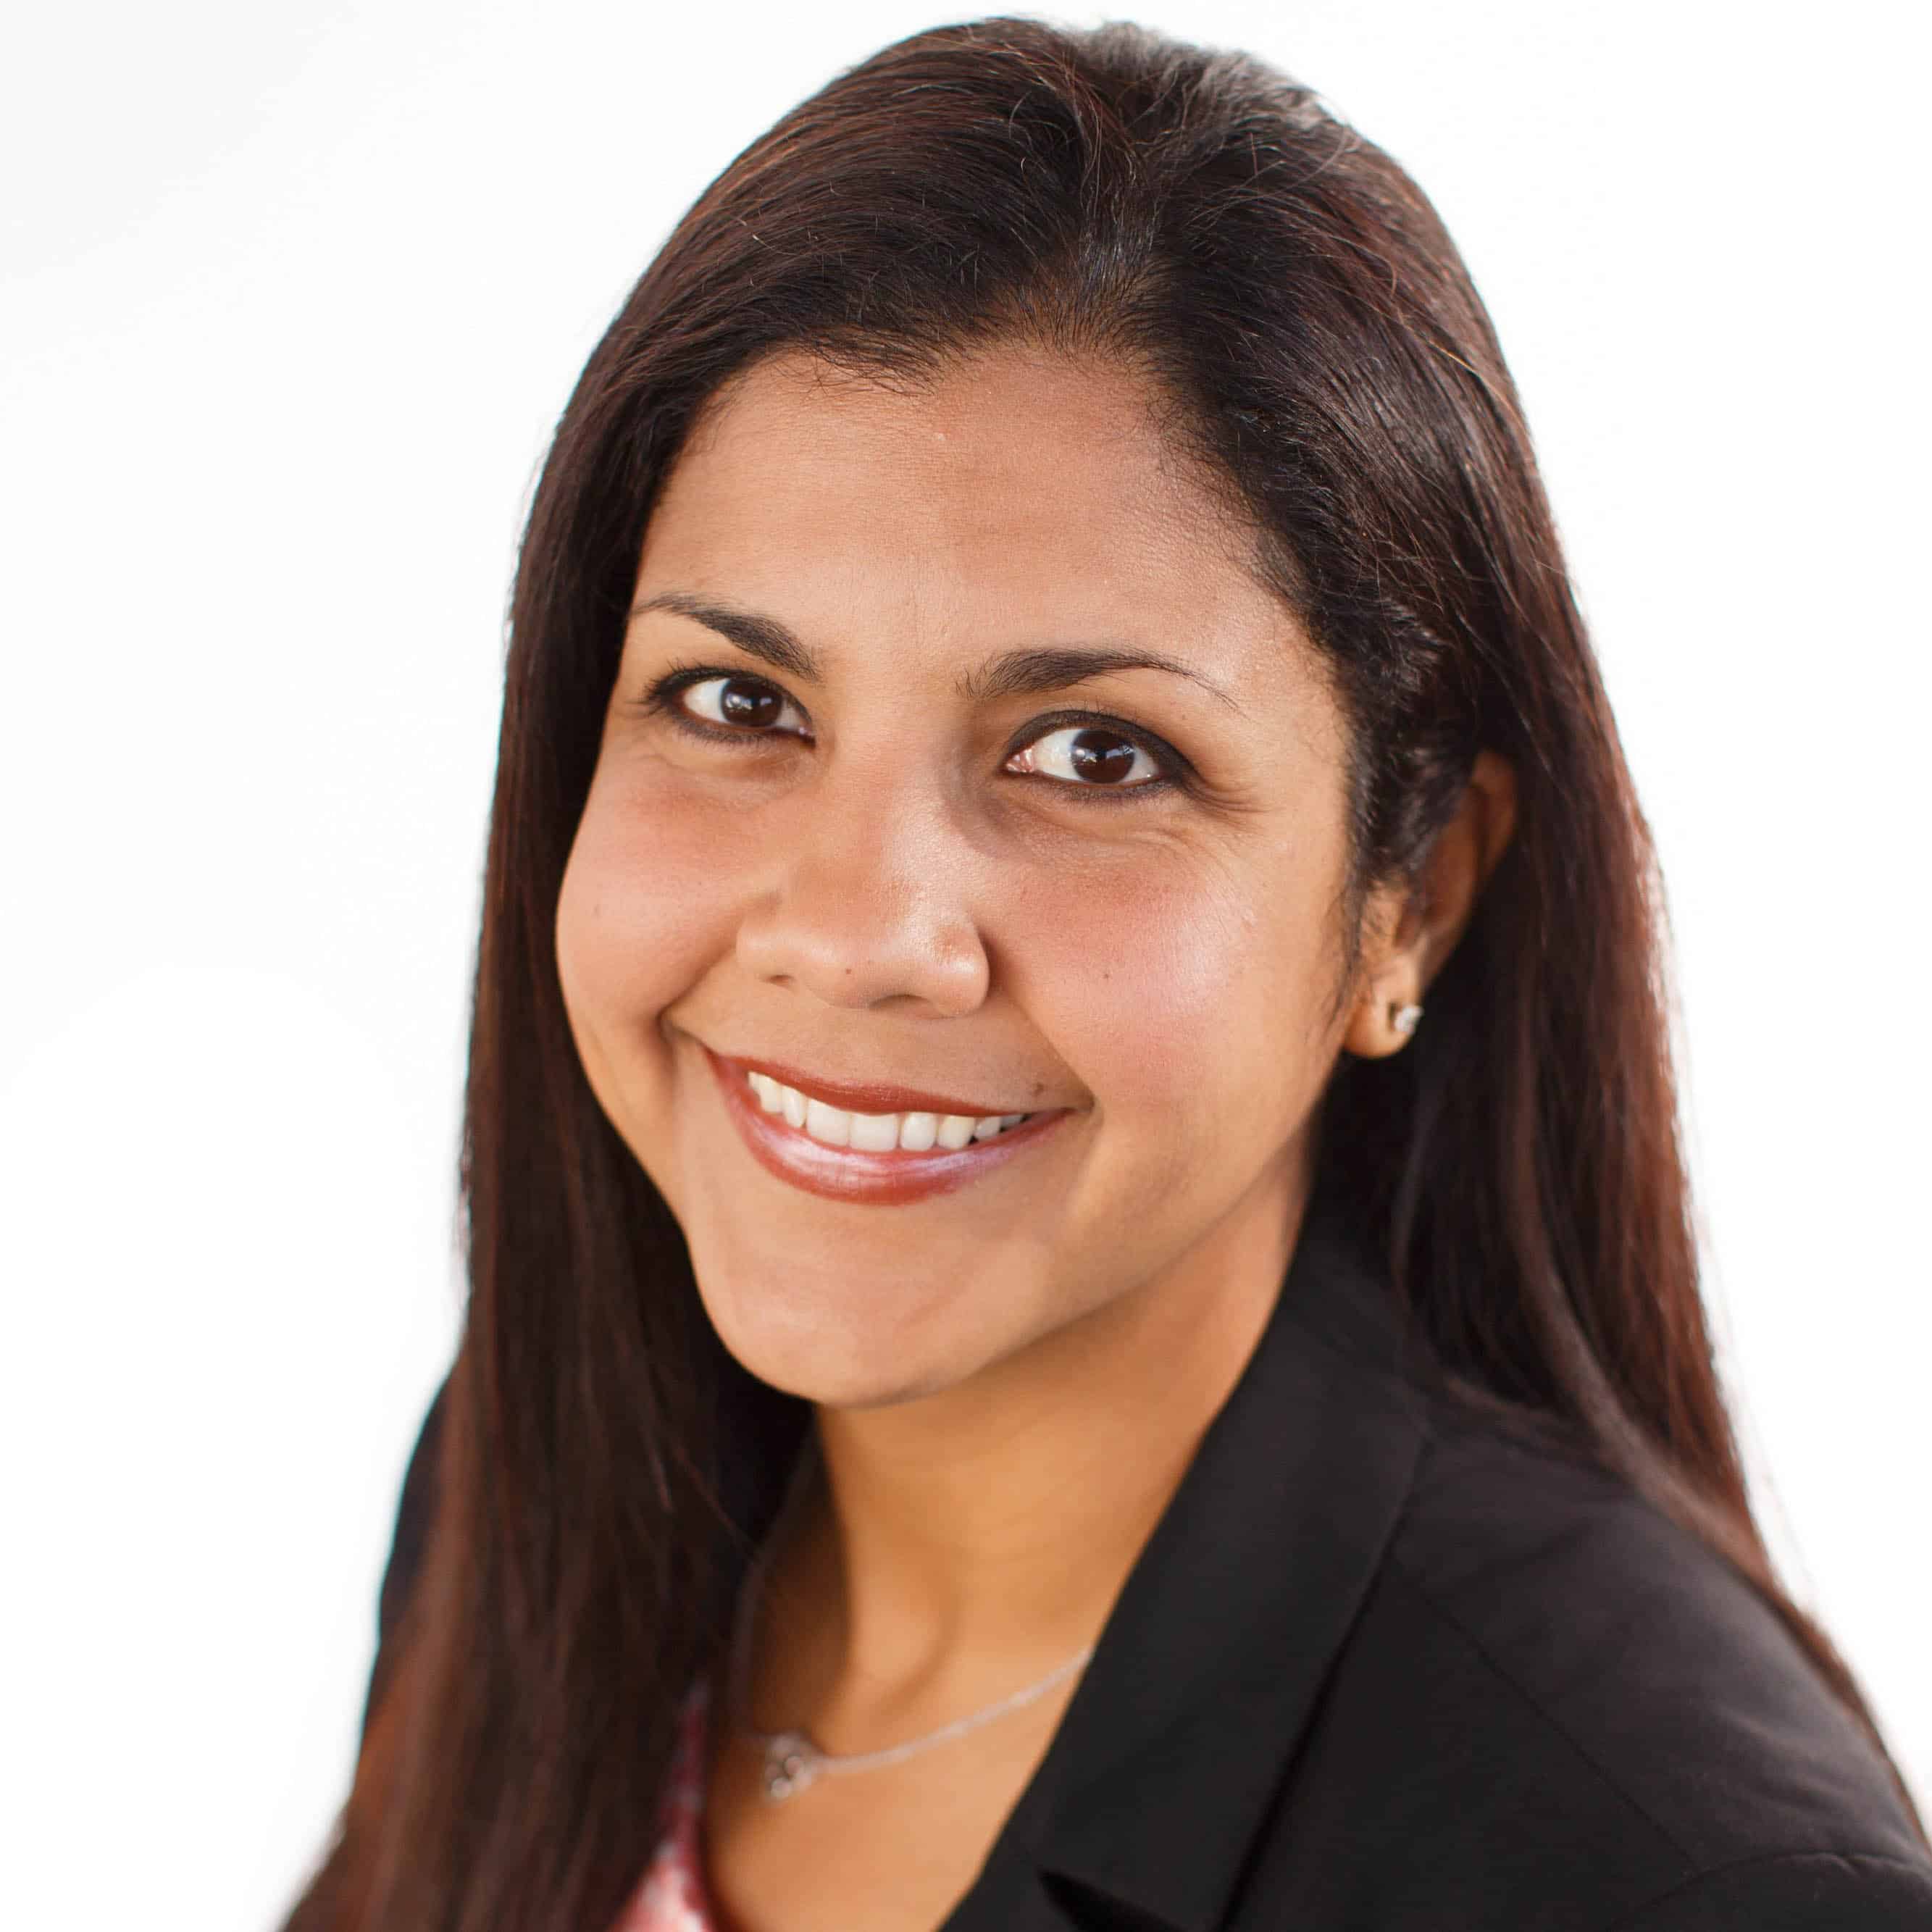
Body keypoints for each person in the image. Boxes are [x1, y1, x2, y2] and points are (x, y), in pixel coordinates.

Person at [280, 17, 1932, 1932]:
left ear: (1409, 896)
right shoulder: (553, 1487)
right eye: (737, 701)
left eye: (1095, 753)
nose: (858, 930)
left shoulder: (1673, 1880)